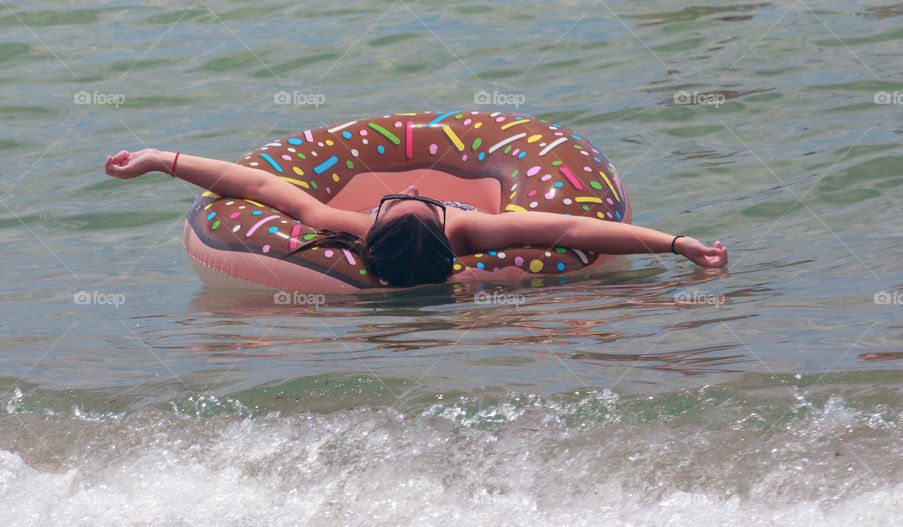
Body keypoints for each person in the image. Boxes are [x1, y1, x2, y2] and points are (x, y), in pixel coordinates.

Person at [104, 148, 728, 287]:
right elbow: (571, 230)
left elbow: (262, 185)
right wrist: (677, 243)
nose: (398, 194)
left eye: (390, 204)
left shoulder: (345, 220)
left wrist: (164, 160)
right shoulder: (471, 229)